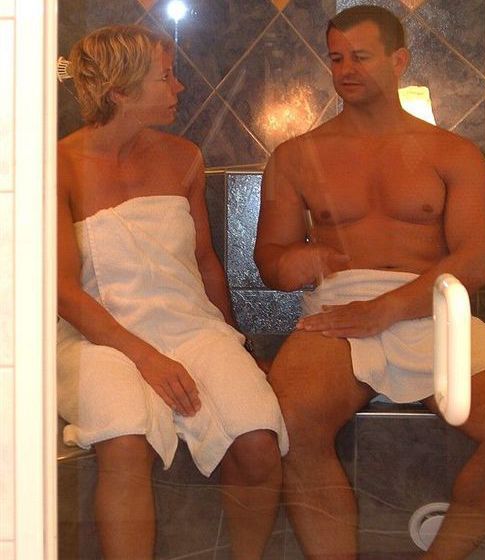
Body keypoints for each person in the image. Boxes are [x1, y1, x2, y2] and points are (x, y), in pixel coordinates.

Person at [255, 5, 485, 560]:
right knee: (290, 422)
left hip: (433, 307)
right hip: (339, 312)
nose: (346, 69)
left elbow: (476, 262)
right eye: (337, 58)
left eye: (361, 57)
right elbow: (269, 259)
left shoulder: (452, 153)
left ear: (399, 60)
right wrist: (294, 263)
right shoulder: (296, 157)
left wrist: (386, 309)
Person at [56, 24, 288, 560]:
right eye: (165, 77)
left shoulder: (184, 157)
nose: (179, 86)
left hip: (191, 327)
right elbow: (64, 291)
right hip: (96, 336)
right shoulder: (59, 166)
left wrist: (233, 340)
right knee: (125, 442)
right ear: (120, 90)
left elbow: (205, 261)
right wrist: (147, 359)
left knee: (258, 440)